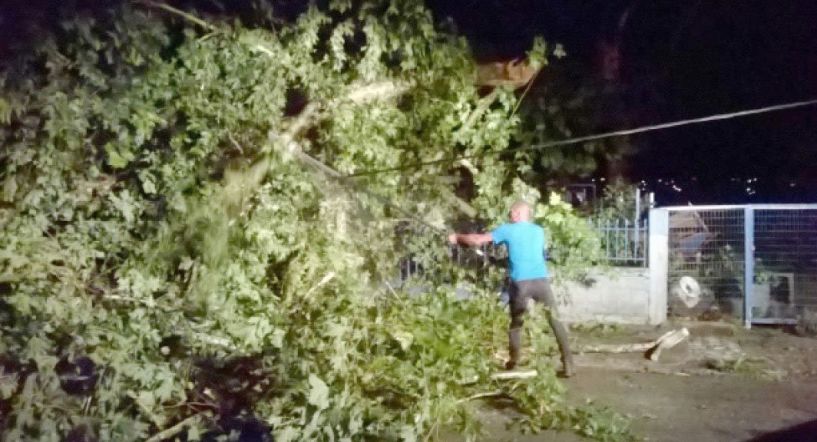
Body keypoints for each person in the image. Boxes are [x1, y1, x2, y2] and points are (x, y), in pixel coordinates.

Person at [448, 200, 575, 377]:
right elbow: (526, 254)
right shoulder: (539, 231)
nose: (509, 216)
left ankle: (513, 361)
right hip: (541, 281)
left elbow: (477, 240)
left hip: (521, 284)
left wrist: (457, 238)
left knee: (516, 323)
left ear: (517, 214)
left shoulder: (508, 229)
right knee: (555, 320)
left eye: (510, 213)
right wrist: (498, 261)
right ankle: (568, 363)